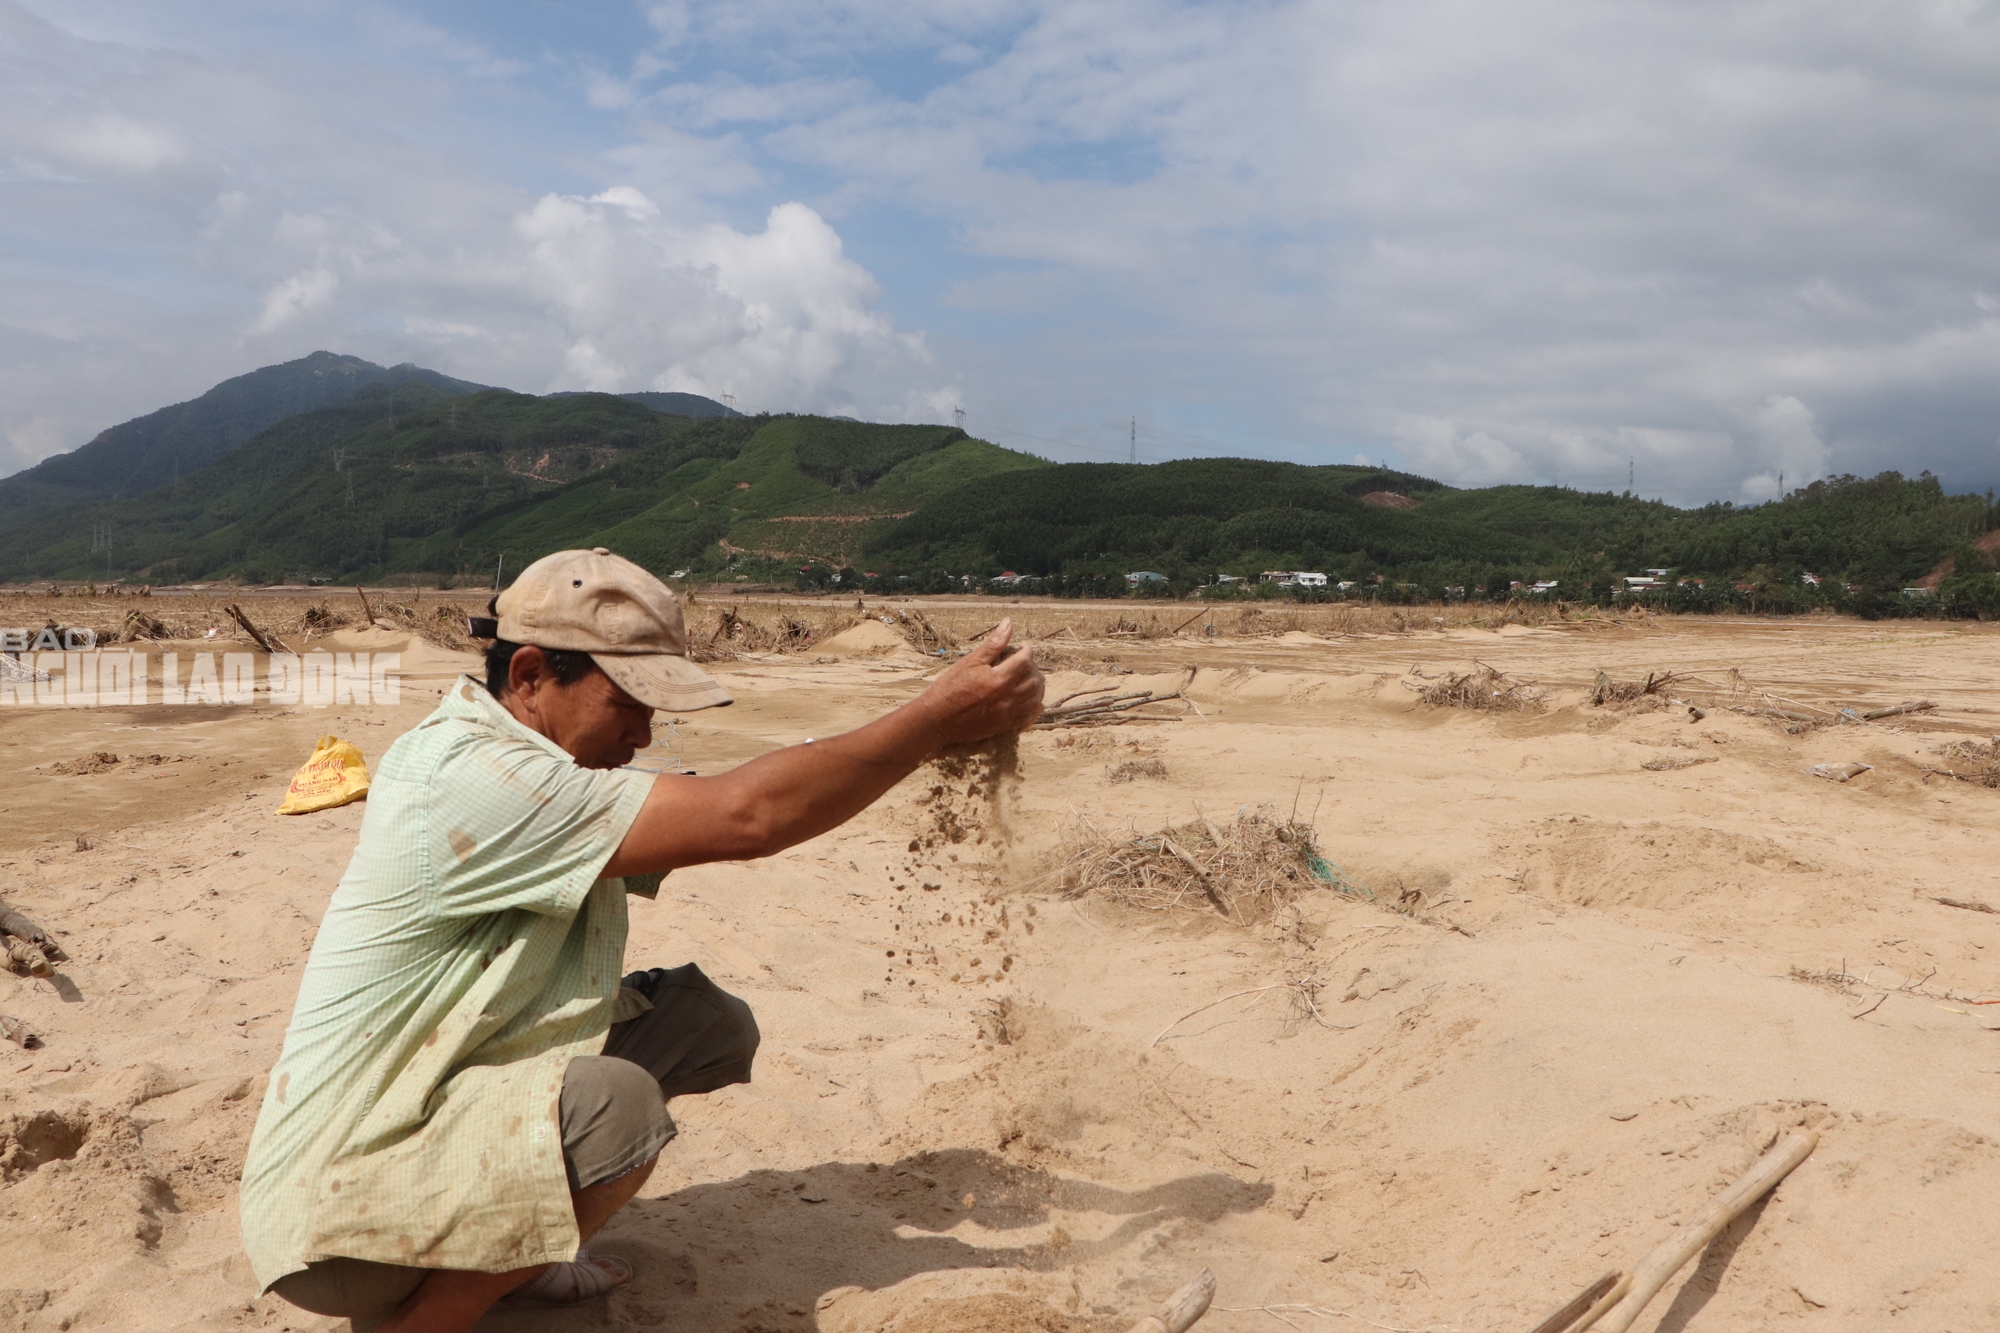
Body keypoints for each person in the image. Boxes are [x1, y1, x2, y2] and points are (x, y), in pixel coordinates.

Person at [238, 548, 1044, 1333]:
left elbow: (731, 797)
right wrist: (933, 721)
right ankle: (431, 1317)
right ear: (528, 676)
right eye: (628, 704)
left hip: (432, 1099)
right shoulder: (474, 777)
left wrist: (915, 738)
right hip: (336, 1221)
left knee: (699, 1020)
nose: (645, 733)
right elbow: (748, 815)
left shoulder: (529, 760)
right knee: (618, 1109)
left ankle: (519, 1242)